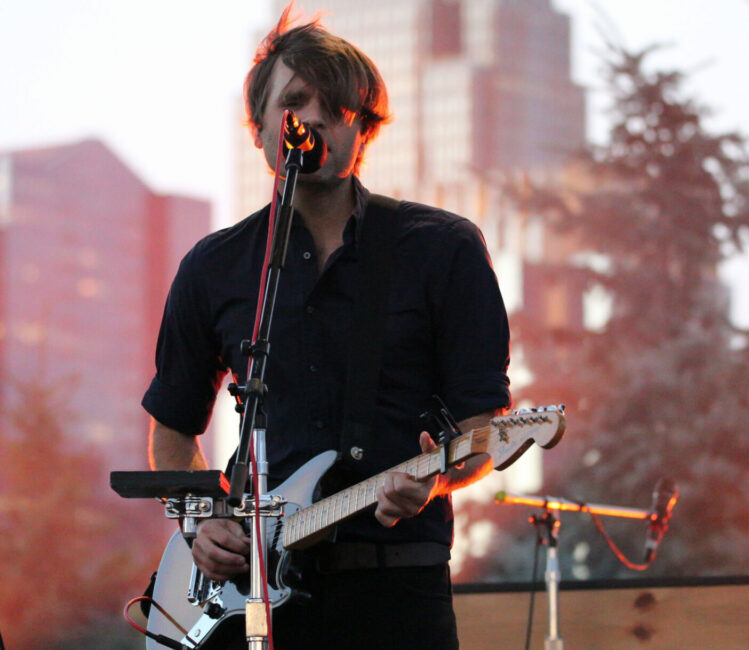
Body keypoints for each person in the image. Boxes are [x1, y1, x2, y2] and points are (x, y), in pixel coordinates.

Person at [143, 8, 511, 649]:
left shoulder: (442, 248)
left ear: (362, 129)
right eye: (291, 102)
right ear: (258, 127)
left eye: (333, 105)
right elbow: (173, 428)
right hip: (248, 599)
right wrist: (202, 521)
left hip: (396, 592)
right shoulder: (215, 266)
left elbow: (483, 425)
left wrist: (438, 480)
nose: (309, 118)